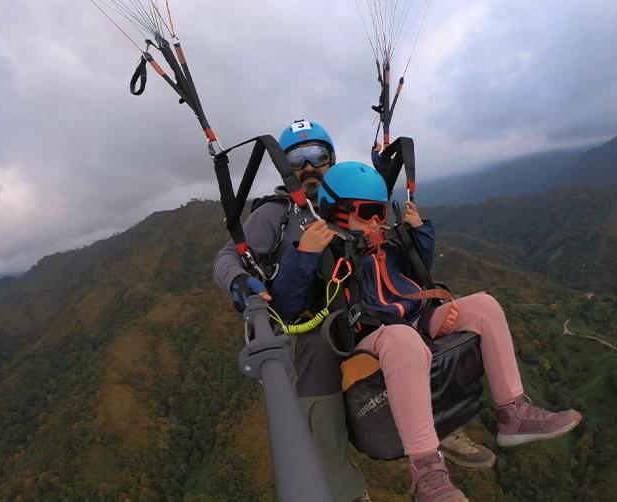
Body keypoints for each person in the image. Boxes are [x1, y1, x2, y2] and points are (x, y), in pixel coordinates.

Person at [270, 161, 583, 502]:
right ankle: (427, 473)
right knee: (402, 339)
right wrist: (304, 256)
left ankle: (513, 413)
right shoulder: (325, 249)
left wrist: (418, 233)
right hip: (371, 335)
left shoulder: (385, 242)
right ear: (340, 211)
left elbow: (420, 271)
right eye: (369, 211)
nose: (378, 220)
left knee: (484, 306)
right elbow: (287, 304)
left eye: (381, 211)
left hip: (416, 317)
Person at [212, 121, 492, 502]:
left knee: (414, 344)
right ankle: (347, 492)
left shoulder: (353, 196)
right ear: (284, 166)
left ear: (332, 159)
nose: (309, 167)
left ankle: (440, 432)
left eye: (318, 156)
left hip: (371, 313)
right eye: (298, 159)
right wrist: (240, 283)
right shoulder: (277, 214)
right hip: (316, 329)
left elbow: (394, 261)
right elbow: (229, 257)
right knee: (320, 416)